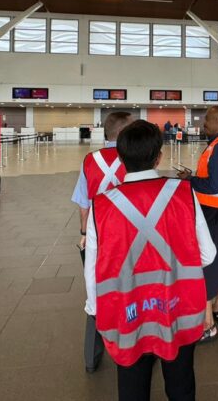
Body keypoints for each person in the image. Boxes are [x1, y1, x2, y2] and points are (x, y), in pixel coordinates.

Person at [84, 120, 216, 401]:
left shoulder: (101, 206)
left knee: (132, 389)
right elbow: (208, 254)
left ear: (121, 159)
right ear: (159, 157)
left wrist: (96, 311)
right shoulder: (183, 193)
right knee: (181, 386)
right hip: (178, 309)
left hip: (127, 312)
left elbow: (93, 270)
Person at [71, 111, 134, 373]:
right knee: (130, 290)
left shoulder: (90, 160)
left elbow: (83, 203)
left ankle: (92, 356)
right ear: (124, 133)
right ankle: (132, 347)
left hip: (98, 235)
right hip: (128, 236)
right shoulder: (134, 157)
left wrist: (84, 233)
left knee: (95, 292)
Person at [177, 105, 218, 343]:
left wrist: (190, 180)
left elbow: (214, 185)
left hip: (217, 213)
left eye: (207, 120)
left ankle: (207, 325)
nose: (203, 124)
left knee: (207, 262)